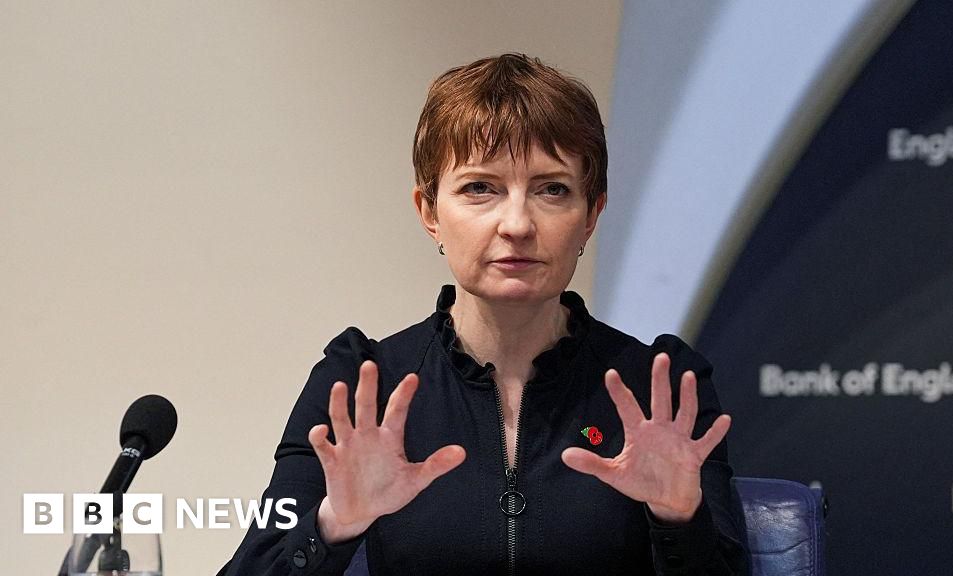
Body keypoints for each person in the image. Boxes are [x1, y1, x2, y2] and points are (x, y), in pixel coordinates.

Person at [218, 53, 748, 576]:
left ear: (591, 215)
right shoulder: (361, 387)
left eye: (553, 189)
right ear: (429, 211)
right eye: (480, 188)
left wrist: (679, 521)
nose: (517, 224)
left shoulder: (662, 391)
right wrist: (334, 524)